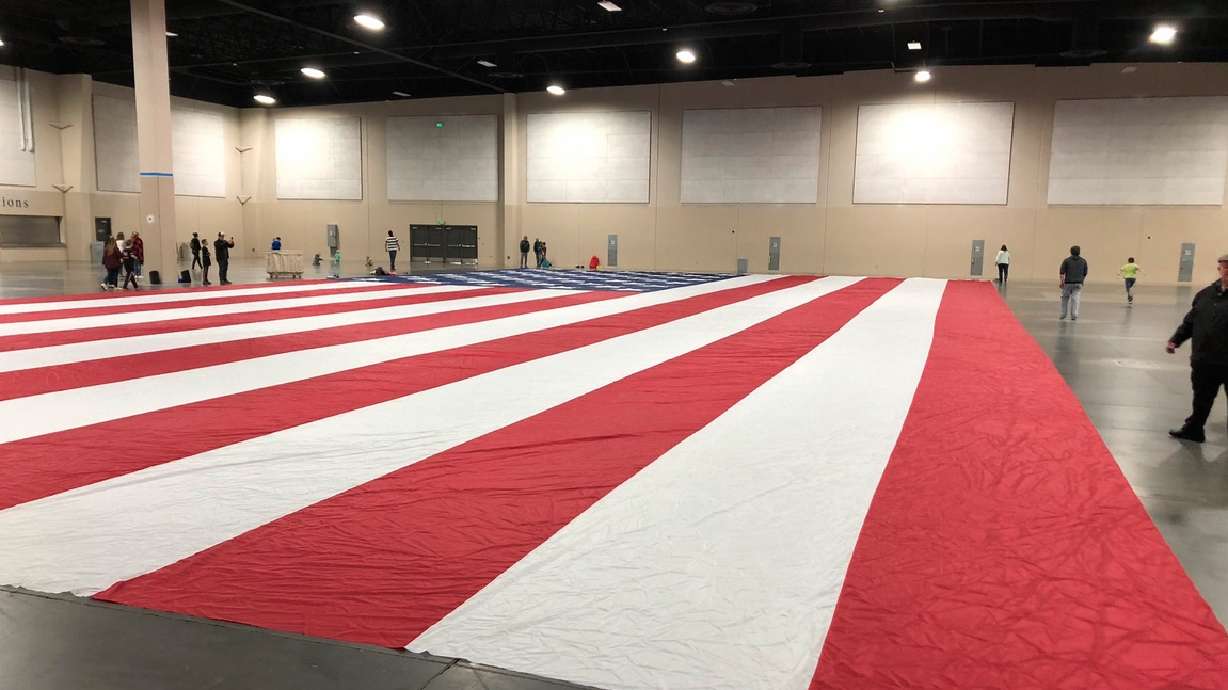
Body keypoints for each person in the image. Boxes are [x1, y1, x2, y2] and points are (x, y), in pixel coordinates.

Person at [1166, 254, 1228, 443]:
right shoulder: (1205, 294)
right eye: (1223, 267)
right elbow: (1191, 320)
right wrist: (1176, 339)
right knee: (1201, 398)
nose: (1225, 270)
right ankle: (1194, 430)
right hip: (1204, 359)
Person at [1059, 245, 1088, 321]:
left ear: (1071, 252)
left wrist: (1062, 282)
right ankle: (1074, 314)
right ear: (1079, 252)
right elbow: (1085, 273)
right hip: (1078, 283)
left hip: (1068, 283)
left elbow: (1062, 273)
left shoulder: (1066, 261)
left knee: (1065, 298)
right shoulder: (1083, 261)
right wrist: (1081, 280)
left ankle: (1063, 314)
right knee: (1076, 299)